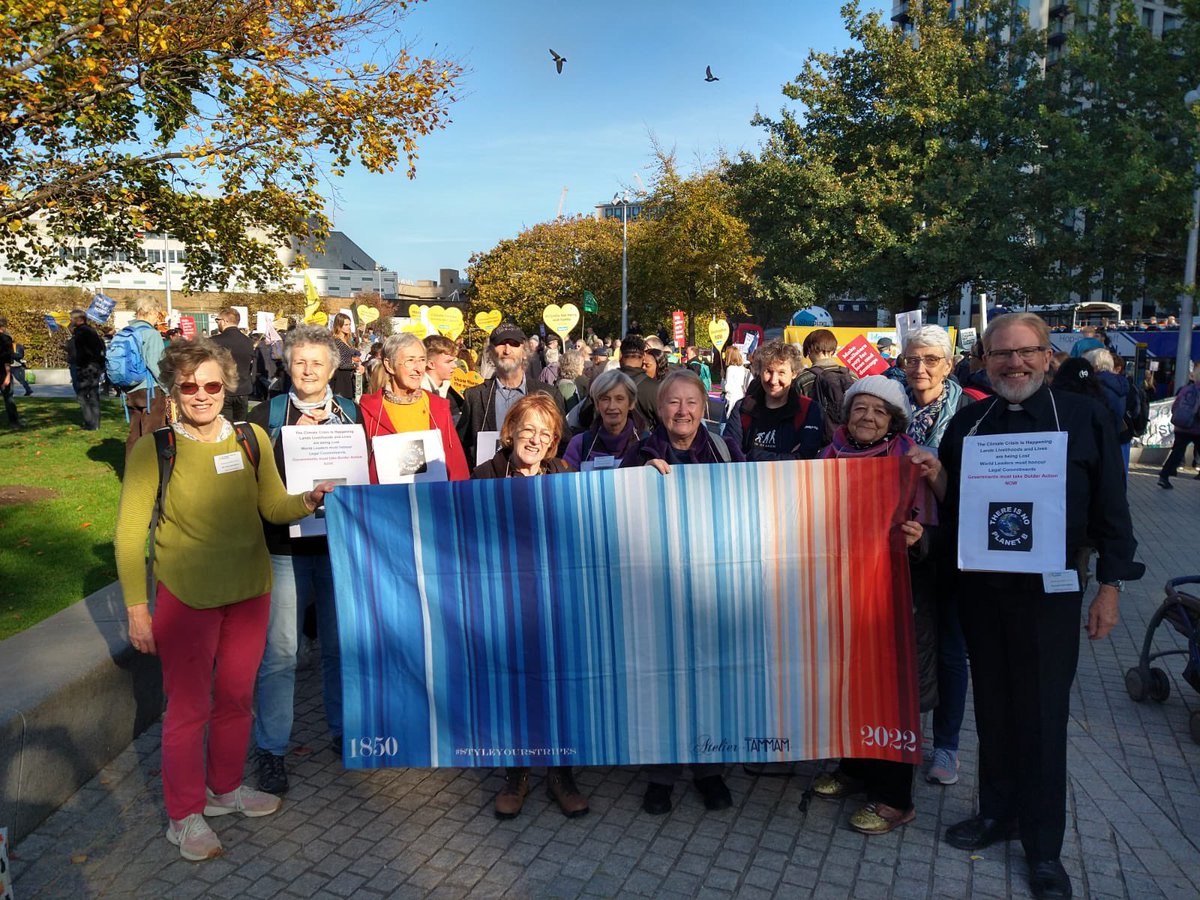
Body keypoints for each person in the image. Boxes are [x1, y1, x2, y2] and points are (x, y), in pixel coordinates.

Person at [938, 313, 1144, 900]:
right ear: (984, 361)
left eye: (1025, 353)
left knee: (1043, 717)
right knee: (995, 709)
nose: (1014, 365)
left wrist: (1111, 587)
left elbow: (1113, 512)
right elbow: (951, 506)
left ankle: (1044, 847)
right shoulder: (970, 422)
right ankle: (996, 813)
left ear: (1048, 356)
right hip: (982, 593)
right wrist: (929, 477)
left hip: (1051, 594)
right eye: (1000, 356)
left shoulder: (1083, 417)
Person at [115, 337, 334, 861]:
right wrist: (137, 609)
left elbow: (274, 506)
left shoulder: (250, 438)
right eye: (189, 386)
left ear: (226, 386)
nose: (201, 395)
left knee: (237, 698)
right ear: (174, 389)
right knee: (188, 709)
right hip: (186, 597)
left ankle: (225, 788)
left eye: (212, 384)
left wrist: (308, 499)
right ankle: (184, 813)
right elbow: (128, 536)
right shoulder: (157, 448)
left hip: (250, 592)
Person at [812, 376, 935, 835]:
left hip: (893, 594)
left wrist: (921, 539)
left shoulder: (909, 459)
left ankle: (894, 797)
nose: (867, 417)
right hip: (842, 588)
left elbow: (935, 521)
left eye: (879, 411)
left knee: (889, 693)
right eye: (860, 408)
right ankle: (855, 769)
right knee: (851, 681)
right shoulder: (829, 454)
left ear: (894, 420)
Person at [623, 368, 745, 815]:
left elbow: (745, 504)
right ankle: (661, 776)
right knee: (663, 682)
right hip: (657, 587)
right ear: (660, 408)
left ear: (704, 407)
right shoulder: (642, 450)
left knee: (709, 678)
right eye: (674, 402)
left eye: (692, 402)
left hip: (712, 585)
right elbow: (621, 514)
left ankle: (709, 770)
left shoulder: (723, 449)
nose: (683, 411)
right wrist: (639, 477)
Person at [248, 326, 360, 795]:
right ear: (286, 366)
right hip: (284, 549)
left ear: (333, 371)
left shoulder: (350, 413)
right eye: (300, 362)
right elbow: (254, 481)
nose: (309, 370)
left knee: (340, 648)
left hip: (338, 548)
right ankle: (271, 749)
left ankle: (343, 732)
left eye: (318, 362)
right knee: (280, 655)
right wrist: (290, 439)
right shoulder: (267, 415)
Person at [471, 393, 589, 819]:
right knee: (516, 683)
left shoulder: (563, 473)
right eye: (528, 431)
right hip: (506, 598)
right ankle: (516, 774)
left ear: (555, 440)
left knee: (559, 682)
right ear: (510, 433)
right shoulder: (485, 475)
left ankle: (561, 774)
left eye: (545, 433)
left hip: (555, 597)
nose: (535, 440)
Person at [899, 326, 974, 788]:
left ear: (949, 364)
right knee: (902, 645)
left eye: (930, 360)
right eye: (912, 360)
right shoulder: (890, 406)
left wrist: (939, 475)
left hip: (950, 550)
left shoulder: (972, 413)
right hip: (898, 546)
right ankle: (902, 736)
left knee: (949, 650)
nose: (920, 369)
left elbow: (973, 496)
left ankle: (945, 746)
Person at [359, 333, 468, 483]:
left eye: (422, 360)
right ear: (389, 365)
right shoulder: (368, 409)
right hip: (387, 501)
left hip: (431, 500)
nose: (418, 369)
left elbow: (456, 466)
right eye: (410, 361)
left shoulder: (438, 407)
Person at [456, 324, 566, 466]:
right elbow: (462, 446)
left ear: (524, 352)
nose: (507, 350)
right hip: (489, 482)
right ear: (490, 352)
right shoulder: (475, 396)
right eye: (501, 344)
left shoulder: (549, 394)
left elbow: (563, 441)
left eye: (514, 344)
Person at [723, 340, 823, 461]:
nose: (774, 380)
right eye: (768, 371)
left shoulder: (809, 409)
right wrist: (787, 458)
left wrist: (752, 456)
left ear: (794, 373)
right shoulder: (742, 408)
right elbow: (730, 454)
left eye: (781, 372)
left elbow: (805, 458)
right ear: (759, 371)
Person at [563, 370, 645, 470]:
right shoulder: (580, 444)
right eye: (605, 399)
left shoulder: (648, 442)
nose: (612, 406)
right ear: (597, 404)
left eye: (619, 399)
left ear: (631, 403)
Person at [123, 298, 168, 455]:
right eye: (158, 314)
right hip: (150, 391)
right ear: (152, 312)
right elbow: (157, 365)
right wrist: (169, 389)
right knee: (152, 435)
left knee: (134, 435)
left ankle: (131, 472)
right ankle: (152, 473)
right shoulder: (151, 334)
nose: (158, 318)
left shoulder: (125, 332)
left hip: (130, 389)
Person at [797, 328, 856, 444]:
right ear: (833, 349)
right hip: (848, 441)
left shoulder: (803, 378)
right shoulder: (851, 374)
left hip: (816, 442)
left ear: (809, 349)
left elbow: (797, 412)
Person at [1157, 361, 1200, 489]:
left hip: (1181, 427)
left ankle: (1164, 476)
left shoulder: (1185, 389)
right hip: (1197, 428)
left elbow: (1175, 406)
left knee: (1177, 452)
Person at [209, 307, 256, 421]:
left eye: (217, 320)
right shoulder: (248, 342)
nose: (217, 323)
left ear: (225, 321)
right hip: (243, 390)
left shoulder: (214, 341)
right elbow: (251, 366)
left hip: (223, 389)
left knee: (224, 427)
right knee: (241, 426)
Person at [69, 309, 107, 431]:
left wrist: (80, 363)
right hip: (94, 366)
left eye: (72, 319)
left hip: (85, 367)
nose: (70, 321)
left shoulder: (81, 332)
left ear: (79, 319)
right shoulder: (92, 331)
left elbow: (81, 351)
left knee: (82, 395)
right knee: (94, 394)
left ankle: (90, 422)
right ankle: (95, 423)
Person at [421, 334, 464, 419]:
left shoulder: (453, 394)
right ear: (431, 364)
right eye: (448, 362)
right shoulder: (417, 394)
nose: (454, 366)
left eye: (454, 360)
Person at [330, 313, 359, 399]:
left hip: (348, 376)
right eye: (346, 325)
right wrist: (355, 365)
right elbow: (340, 364)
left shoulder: (346, 340)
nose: (348, 327)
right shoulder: (337, 341)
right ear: (339, 326)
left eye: (349, 324)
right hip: (340, 377)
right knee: (342, 402)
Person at [0, 316, 20, 429]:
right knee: (8, 397)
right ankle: (14, 422)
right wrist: (7, 375)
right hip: (2, 371)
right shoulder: (6, 339)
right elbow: (6, 358)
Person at [722, 346, 751, 411]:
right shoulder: (743, 369)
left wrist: (723, 378)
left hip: (731, 400)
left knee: (730, 420)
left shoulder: (730, 369)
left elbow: (727, 388)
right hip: (740, 398)